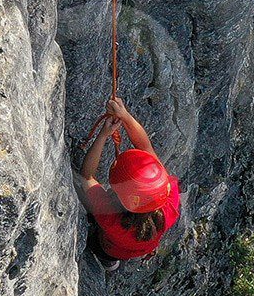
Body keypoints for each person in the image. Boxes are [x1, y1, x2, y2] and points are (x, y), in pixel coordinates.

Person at [77, 97, 182, 271]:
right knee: (118, 248)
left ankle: (106, 259)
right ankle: (111, 261)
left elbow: (86, 177)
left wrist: (103, 135)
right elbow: (145, 147)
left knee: (99, 239)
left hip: (108, 246)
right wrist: (124, 115)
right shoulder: (165, 194)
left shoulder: (111, 219)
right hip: (133, 247)